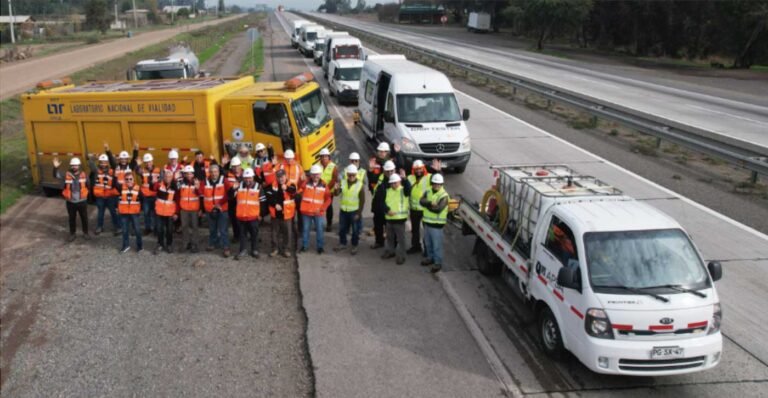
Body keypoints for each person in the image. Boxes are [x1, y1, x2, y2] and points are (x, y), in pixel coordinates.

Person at [53, 157, 90, 242]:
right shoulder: (66, 174)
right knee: (71, 218)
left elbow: (88, 186)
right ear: (71, 166)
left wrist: (87, 197)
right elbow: (56, 175)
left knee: (84, 218)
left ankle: (86, 233)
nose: (74, 167)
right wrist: (55, 167)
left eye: (76, 165)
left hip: (82, 201)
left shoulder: (84, 174)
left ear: (79, 165)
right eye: (73, 165)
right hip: (70, 202)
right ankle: (72, 234)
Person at [420, 173, 449, 273]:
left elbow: (438, 209)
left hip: (437, 225)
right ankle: (430, 258)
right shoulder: (428, 190)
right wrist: (430, 203)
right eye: (435, 183)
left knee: (437, 245)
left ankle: (437, 263)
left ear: (442, 184)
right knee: (428, 243)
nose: (436, 185)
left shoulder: (444, 196)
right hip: (427, 223)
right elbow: (421, 201)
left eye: (439, 184)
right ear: (432, 183)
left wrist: (426, 204)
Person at [300, 164, 331, 254]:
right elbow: (299, 191)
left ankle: (320, 247)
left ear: (320, 174)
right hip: (306, 212)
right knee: (305, 229)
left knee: (320, 230)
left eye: (317, 174)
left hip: (318, 213)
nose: (315, 176)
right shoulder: (305, 183)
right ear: (310, 175)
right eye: (313, 174)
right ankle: (305, 246)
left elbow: (328, 199)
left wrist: (322, 209)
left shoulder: (324, 185)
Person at [334, 164, 365, 254]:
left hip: (354, 212)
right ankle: (343, 243)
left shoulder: (360, 185)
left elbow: (362, 201)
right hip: (343, 211)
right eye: (350, 174)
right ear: (347, 174)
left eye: (353, 175)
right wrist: (336, 189)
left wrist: (358, 213)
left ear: (356, 175)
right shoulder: (343, 182)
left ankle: (354, 245)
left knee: (355, 231)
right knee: (342, 229)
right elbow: (336, 194)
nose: (351, 176)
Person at [266, 169, 296, 257]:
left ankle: (286, 250)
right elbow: (268, 197)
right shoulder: (272, 185)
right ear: (276, 177)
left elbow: (294, 191)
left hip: (287, 214)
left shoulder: (291, 184)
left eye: (282, 176)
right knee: (274, 233)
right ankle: (275, 249)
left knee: (287, 233)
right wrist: (275, 204)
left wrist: (286, 188)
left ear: (285, 176)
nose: (280, 179)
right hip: (275, 213)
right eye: (278, 177)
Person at [89, 153, 121, 236]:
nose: (103, 164)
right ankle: (100, 227)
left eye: (105, 162)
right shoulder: (96, 171)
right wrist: (93, 158)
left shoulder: (112, 171)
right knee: (100, 213)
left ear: (107, 163)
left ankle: (117, 227)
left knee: (113, 212)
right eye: (101, 162)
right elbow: (91, 164)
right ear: (99, 163)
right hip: (100, 197)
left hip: (110, 196)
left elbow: (116, 166)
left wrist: (115, 159)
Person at [234, 168, 263, 260]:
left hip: (253, 217)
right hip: (241, 216)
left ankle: (254, 250)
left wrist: (261, 214)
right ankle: (243, 250)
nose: (247, 180)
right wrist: (232, 189)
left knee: (254, 234)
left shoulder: (258, 187)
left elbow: (263, 202)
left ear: (253, 177)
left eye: (249, 178)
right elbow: (230, 197)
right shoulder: (238, 186)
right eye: (246, 178)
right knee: (242, 235)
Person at [203, 164, 231, 257]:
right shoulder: (205, 181)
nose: (214, 174)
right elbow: (199, 192)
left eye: (216, 172)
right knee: (212, 229)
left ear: (219, 172)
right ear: (209, 173)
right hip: (210, 209)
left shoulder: (224, 180)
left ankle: (226, 247)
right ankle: (213, 244)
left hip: (222, 209)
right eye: (212, 172)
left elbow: (229, 194)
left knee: (223, 230)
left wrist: (219, 204)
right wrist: (196, 187)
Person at [382, 173, 410, 264]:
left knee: (401, 239)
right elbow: (382, 202)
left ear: (399, 182)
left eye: (395, 183)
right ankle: (391, 252)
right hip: (389, 219)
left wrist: (405, 179)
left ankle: (401, 256)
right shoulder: (387, 191)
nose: (393, 185)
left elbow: (409, 188)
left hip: (400, 220)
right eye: (392, 183)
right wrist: (387, 210)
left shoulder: (404, 190)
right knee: (389, 238)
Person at [406, 160, 430, 254]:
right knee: (415, 230)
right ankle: (416, 246)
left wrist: (439, 171)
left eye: (420, 169)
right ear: (413, 170)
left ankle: (427, 250)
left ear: (423, 168)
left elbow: (439, 180)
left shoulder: (429, 177)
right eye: (416, 169)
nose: (418, 171)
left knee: (427, 231)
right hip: (414, 209)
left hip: (425, 209)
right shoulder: (409, 178)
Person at [370, 160, 396, 249]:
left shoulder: (396, 180)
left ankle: (392, 246)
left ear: (394, 170)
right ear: (384, 171)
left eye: (391, 171)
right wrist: (370, 171)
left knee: (391, 229)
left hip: (389, 209)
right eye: (387, 171)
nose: (389, 173)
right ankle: (379, 242)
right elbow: (371, 179)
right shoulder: (380, 177)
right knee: (378, 227)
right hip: (378, 207)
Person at [114, 172, 142, 253]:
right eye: (127, 179)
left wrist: (139, 209)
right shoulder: (121, 187)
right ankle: (126, 245)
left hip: (134, 213)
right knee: (125, 230)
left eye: (130, 179)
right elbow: (114, 184)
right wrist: (115, 177)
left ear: (133, 180)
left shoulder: (138, 188)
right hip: (124, 213)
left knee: (137, 230)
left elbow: (142, 200)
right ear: (124, 180)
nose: (129, 181)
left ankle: (139, 246)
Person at [178, 165, 202, 253]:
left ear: (193, 174)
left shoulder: (197, 182)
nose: (189, 175)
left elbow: (200, 195)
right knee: (184, 227)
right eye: (187, 174)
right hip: (184, 209)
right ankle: (186, 243)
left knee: (195, 227)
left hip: (194, 209)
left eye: (190, 174)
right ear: (184, 174)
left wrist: (197, 188)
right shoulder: (181, 182)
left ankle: (195, 244)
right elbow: (176, 190)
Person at [153, 171, 178, 254]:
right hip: (159, 212)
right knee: (159, 230)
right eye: (166, 176)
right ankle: (160, 244)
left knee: (169, 230)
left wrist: (176, 213)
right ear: (164, 177)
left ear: (172, 178)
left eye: (170, 177)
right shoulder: (160, 184)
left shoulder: (175, 187)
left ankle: (169, 244)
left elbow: (177, 200)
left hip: (170, 213)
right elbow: (152, 188)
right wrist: (153, 182)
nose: (168, 178)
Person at [137, 153, 160, 236]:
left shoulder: (158, 170)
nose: (148, 163)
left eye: (149, 161)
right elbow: (137, 171)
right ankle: (148, 228)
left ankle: (156, 229)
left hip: (155, 195)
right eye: (146, 162)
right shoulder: (142, 170)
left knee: (155, 214)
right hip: (146, 196)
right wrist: (138, 165)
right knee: (146, 213)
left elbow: (161, 181)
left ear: (152, 161)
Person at [318, 148, 338, 232]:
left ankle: (329, 224)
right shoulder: (317, 165)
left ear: (328, 157)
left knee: (329, 207)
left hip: (329, 191)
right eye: (322, 157)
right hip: (319, 190)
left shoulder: (333, 167)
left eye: (325, 156)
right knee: (318, 207)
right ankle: (318, 224)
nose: (324, 158)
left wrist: (326, 189)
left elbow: (334, 179)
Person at [225, 155, 244, 243]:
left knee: (244, 219)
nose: (236, 168)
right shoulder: (227, 175)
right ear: (231, 167)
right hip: (232, 201)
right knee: (234, 219)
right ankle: (236, 236)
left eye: (237, 166)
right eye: (234, 166)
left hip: (243, 201)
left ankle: (245, 235)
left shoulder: (246, 174)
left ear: (240, 165)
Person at [253, 142, 276, 216]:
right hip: (261, 184)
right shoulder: (255, 161)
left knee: (272, 201)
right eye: (258, 151)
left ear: (264, 150)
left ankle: (273, 217)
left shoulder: (269, 158)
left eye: (262, 150)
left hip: (271, 184)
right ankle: (262, 216)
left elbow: (271, 156)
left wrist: (270, 148)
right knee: (262, 201)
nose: (260, 152)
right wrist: (261, 182)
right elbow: (254, 174)